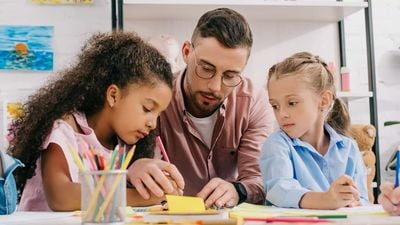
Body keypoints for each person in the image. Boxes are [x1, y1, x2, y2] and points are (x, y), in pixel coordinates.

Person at [8, 31, 184, 211]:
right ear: (114, 95)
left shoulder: (126, 145)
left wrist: (151, 181)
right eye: (147, 109)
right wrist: (141, 197)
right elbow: (61, 197)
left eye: (158, 114)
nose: (152, 123)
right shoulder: (65, 129)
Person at [128, 8, 275, 208]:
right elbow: (129, 168)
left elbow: (259, 180)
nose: (214, 87)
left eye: (230, 75)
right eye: (206, 69)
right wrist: (135, 168)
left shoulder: (254, 102)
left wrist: (237, 189)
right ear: (187, 52)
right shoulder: (154, 98)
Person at [260, 52, 369, 209]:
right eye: (275, 106)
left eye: (292, 103)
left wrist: (354, 202)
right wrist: (326, 200)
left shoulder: (349, 148)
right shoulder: (277, 144)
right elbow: (279, 190)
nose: (281, 114)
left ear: (323, 101)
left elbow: (362, 199)